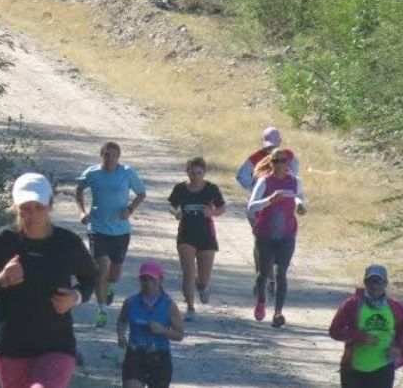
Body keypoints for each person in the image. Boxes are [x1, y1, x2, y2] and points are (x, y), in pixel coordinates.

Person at [0, 172, 98, 388]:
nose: (32, 214)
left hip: (57, 345)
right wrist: (1, 280)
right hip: (11, 347)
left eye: (39, 207)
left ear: (50, 206)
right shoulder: (3, 242)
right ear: (15, 207)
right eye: (25, 208)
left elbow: (91, 277)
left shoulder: (67, 243)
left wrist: (75, 297)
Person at [76, 142, 147, 327]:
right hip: (97, 228)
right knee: (101, 270)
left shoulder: (127, 173)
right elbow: (79, 190)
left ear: (119, 157)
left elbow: (141, 193)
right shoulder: (92, 173)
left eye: (114, 155)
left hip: (121, 231)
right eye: (107, 155)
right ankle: (101, 311)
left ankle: (109, 288)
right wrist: (82, 212)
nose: (110, 159)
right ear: (101, 155)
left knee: (114, 275)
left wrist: (130, 209)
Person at [328, 264, 403, 388]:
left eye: (379, 281)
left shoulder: (396, 307)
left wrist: (398, 347)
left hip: (383, 368)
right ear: (365, 283)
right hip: (353, 368)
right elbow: (335, 331)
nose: (374, 285)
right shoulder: (352, 304)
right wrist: (359, 336)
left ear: (386, 283)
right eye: (370, 281)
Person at [236, 127, 300, 297]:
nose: (270, 149)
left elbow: (296, 178)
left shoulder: (289, 156)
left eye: (273, 145)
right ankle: (265, 277)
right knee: (262, 242)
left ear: (280, 141)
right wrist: (255, 188)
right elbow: (240, 175)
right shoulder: (256, 157)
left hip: (282, 207)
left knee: (278, 243)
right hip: (259, 206)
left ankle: (271, 278)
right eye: (267, 145)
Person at [247, 147, 307, 327]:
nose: (279, 164)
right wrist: (269, 200)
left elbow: (299, 198)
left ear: (288, 163)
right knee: (263, 273)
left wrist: (301, 205)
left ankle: (278, 313)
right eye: (276, 161)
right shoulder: (264, 182)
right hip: (265, 233)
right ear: (270, 163)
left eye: (283, 161)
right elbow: (251, 207)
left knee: (281, 273)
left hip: (287, 234)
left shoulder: (295, 181)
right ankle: (261, 301)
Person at [167, 157, 226, 321]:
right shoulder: (180, 189)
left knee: (203, 277)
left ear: (204, 173)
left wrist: (212, 213)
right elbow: (171, 205)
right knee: (188, 271)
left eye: (199, 173)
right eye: (192, 172)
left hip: (207, 235)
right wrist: (176, 212)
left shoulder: (211, 189)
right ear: (187, 172)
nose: (195, 176)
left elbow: (222, 207)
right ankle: (190, 307)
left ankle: (202, 285)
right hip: (186, 234)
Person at [117, 261, 184, 388]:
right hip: (135, 354)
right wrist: (121, 335)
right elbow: (122, 320)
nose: (147, 283)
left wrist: (163, 330)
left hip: (160, 356)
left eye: (151, 279)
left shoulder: (169, 305)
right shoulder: (130, 302)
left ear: (160, 280)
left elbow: (179, 334)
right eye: (144, 279)